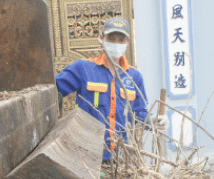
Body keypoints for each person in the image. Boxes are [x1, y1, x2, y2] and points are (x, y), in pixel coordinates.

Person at [55, 17, 167, 160]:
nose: (116, 43)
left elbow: (139, 112)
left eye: (121, 40)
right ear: (101, 38)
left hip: (122, 157)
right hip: (87, 155)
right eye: (111, 38)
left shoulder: (134, 76)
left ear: (128, 42)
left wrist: (153, 121)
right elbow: (54, 89)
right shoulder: (83, 69)